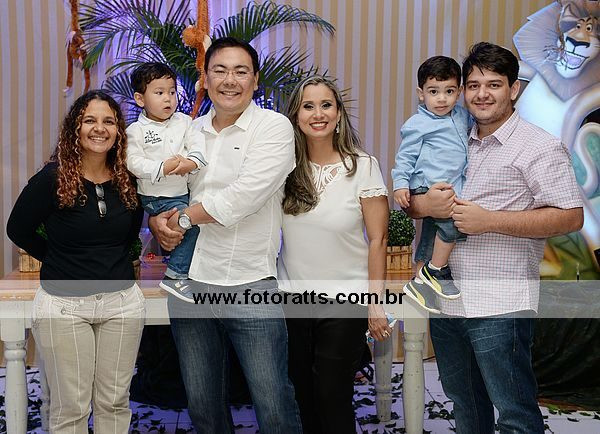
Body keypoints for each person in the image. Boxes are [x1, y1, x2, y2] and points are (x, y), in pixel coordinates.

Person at [405, 42, 583, 433]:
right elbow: (413, 202)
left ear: (513, 89)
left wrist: (489, 221)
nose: (482, 94)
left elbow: (570, 216)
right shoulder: (451, 135)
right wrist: (422, 205)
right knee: (465, 404)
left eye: (494, 84)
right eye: (473, 85)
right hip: (447, 301)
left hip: (500, 303)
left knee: (514, 411)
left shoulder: (539, 146)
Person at [148, 37, 302, 434]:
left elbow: (242, 198)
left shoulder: (273, 127)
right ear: (205, 77)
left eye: (240, 71)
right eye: (219, 70)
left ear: (255, 79)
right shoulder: (189, 129)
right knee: (202, 405)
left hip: (250, 281)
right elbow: (165, 188)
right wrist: (156, 222)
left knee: (273, 403)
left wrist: (182, 220)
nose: (229, 80)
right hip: (189, 284)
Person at [7, 90, 145, 433]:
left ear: (118, 132)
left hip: (122, 304)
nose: (100, 128)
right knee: (71, 408)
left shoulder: (127, 180)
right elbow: (18, 229)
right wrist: (59, 257)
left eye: (109, 121)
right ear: (75, 128)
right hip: (64, 306)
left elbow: (128, 237)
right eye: (90, 120)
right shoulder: (51, 179)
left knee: (114, 403)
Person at [277, 75, 391, 433]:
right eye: (308, 106)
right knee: (302, 395)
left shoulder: (363, 166)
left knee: (332, 393)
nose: (318, 114)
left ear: (339, 113)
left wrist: (375, 304)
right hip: (292, 298)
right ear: (296, 116)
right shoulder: (283, 169)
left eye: (326, 105)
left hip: (345, 299)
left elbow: (378, 239)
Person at [392, 56, 470, 313]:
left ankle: (419, 284)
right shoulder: (418, 124)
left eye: (449, 91)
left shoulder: (462, 116)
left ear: (459, 91)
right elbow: (405, 157)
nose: (442, 99)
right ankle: (436, 270)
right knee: (453, 226)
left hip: (448, 186)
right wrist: (400, 184)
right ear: (421, 94)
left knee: (430, 234)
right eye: (434, 92)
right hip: (427, 186)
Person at [126, 62, 207, 301]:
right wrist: (162, 167)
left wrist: (192, 162)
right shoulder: (136, 130)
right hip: (157, 197)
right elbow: (133, 162)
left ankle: (185, 271)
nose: (168, 98)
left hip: (181, 193)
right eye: (159, 92)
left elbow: (197, 144)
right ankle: (175, 275)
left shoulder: (184, 121)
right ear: (140, 99)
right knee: (190, 224)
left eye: (172, 92)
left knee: (191, 226)